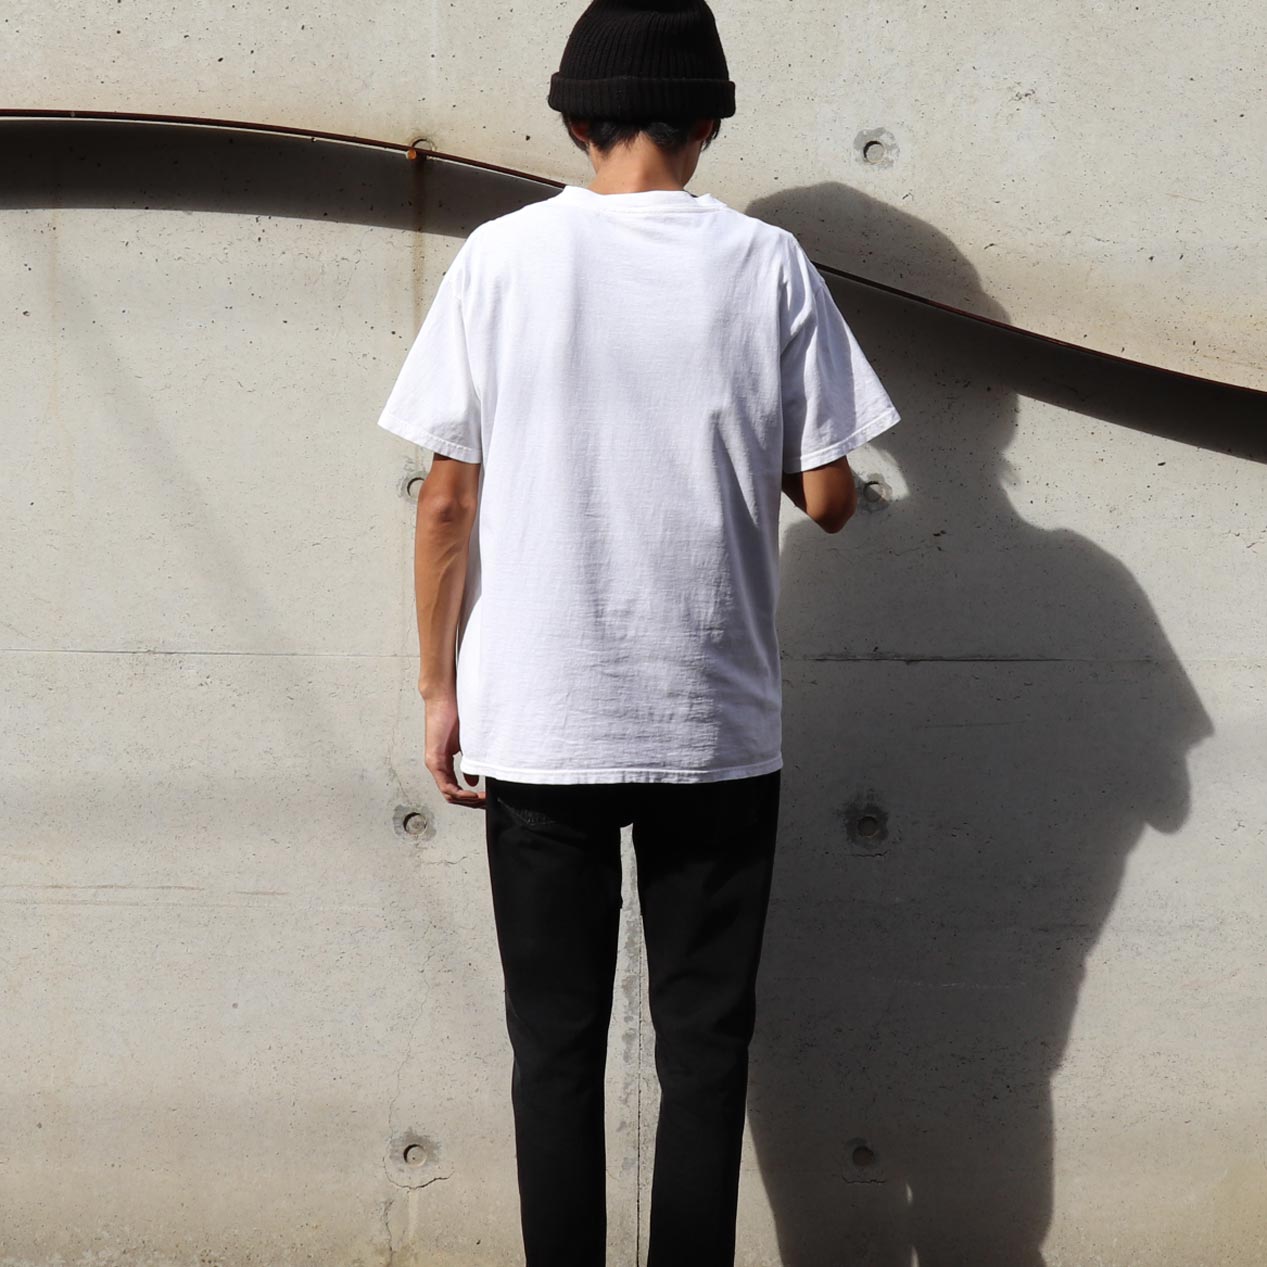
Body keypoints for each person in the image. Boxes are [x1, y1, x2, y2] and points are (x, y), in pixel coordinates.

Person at [375, 1, 901, 1261]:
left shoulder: (500, 258)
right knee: (704, 1048)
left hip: (541, 716)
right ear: (709, 122)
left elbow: (446, 501)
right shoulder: (766, 264)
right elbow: (830, 498)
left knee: (552, 1047)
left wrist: (440, 689)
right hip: (709, 725)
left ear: (574, 122)